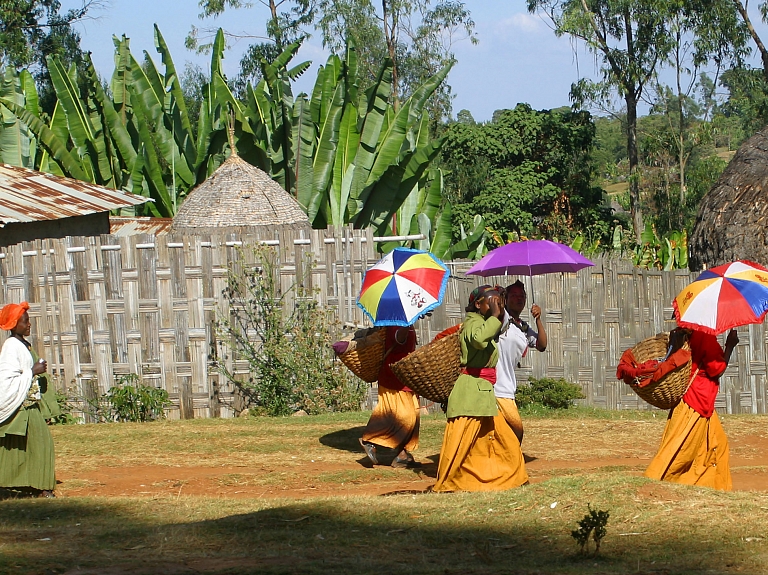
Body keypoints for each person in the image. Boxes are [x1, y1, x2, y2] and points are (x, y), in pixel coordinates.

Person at [432, 285, 529, 492]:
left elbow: (499, 331)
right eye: (491, 301)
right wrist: (495, 316)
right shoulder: (472, 323)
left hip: (484, 391)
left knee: (506, 439)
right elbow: (477, 339)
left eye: (498, 301)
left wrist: (499, 311)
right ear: (477, 304)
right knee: (460, 441)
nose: (496, 305)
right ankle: (447, 482)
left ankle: (514, 477)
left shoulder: (486, 322)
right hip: (469, 392)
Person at [644, 327, 739, 491]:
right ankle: (652, 484)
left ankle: (715, 488)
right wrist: (730, 346)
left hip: (694, 401)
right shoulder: (705, 336)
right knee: (679, 451)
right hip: (696, 402)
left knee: (717, 445)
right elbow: (716, 370)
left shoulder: (683, 333)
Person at [0, 302, 60, 497]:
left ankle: (23, 483)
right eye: (25, 321)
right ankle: (43, 488)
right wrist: (32, 371)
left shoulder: (23, 345)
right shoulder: (11, 347)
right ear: (14, 323)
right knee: (42, 443)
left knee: (18, 445)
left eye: (29, 321)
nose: (29, 325)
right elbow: (6, 379)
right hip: (22, 407)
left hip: (29, 405)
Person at [359, 325, 420, 468]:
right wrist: (407, 325)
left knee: (414, 414)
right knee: (404, 416)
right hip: (393, 377)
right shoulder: (397, 324)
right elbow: (399, 339)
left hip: (405, 375)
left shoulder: (406, 322)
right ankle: (370, 440)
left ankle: (403, 455)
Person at [495, 280, 547, 444]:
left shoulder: (522, 327)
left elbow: (542, 345)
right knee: (515, 432)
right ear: (506, 299)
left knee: (507, 434)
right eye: (514, 295)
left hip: (508, 387)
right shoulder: (501, 319)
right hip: (494, 387)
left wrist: (538, 319)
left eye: (522, 296)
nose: (519, 299)